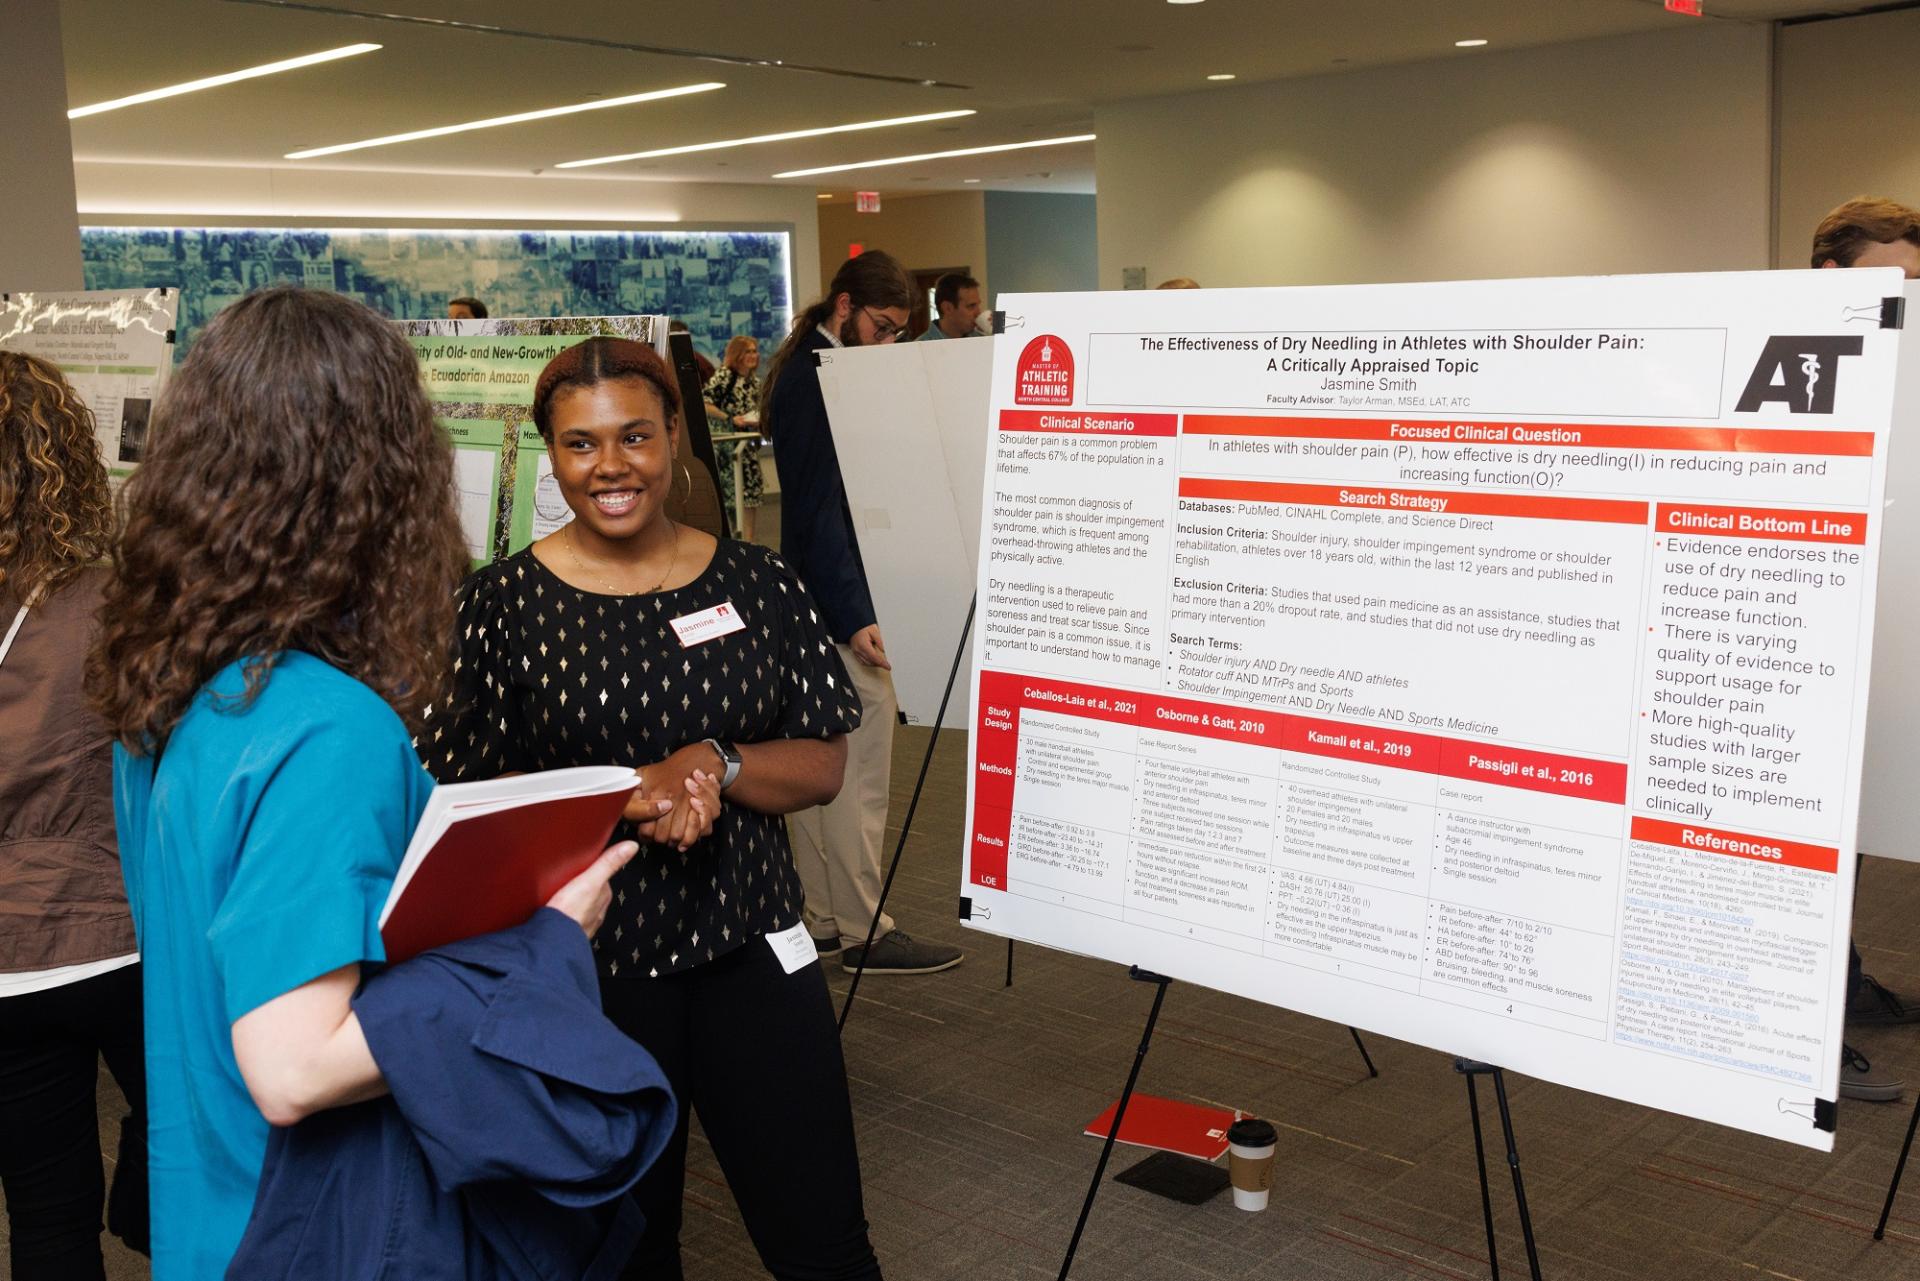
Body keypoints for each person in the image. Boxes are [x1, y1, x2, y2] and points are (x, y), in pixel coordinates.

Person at [84, 287, 637, 1279]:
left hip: (214, 1210)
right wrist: (544, 944)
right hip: (316, 1224)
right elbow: (294, 1067)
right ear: (382, 480)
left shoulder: (170, 693)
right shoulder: (325, 729)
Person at [427, 335, 886, 1280]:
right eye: (581, 444)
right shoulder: (497, 606)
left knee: (825, 1241)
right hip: (588, 973)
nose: (611, 468)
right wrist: (622, 796)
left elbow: (824, 762)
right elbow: (458, 804)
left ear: (678, 434)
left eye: (635, 435)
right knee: (628, 1249)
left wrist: (714, 762)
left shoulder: (759, 583)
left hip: (753, 945)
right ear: (549, 453)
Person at [762, 251, 965, 976]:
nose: (888, 345)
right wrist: (854, 614)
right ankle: (863, 928)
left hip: (813, 604)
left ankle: (824, 919)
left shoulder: (814, 366)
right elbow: (820, 514)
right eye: (882, 328)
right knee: (858, 771)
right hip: (834, 604)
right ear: (844, 307)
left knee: (822, 768)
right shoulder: (818, 377)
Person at [0, 352, 149, 1280]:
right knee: (196, 1155)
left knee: (46, 1220)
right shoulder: (119, 604)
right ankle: (143, 1208)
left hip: (7, 960)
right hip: (125, 934)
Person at [1809, 195, 1920, 1103]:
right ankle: (1798, 1036)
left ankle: (1840, 987)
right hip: (1797, 642)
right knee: (1800, 845)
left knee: (1842, 844)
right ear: (1836, 276)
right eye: (1902, 278)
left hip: (1881, 637)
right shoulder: (1791, 358)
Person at [703, 335, 766, 540]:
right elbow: (704, 403)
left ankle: (749, 542)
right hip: (727, 448)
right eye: (748, 351)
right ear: (737, 354)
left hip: (747, 447)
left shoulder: (754, 382)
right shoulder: (724, 376)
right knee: (731, 499)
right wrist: (731, 419)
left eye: (755, 350)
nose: (753, 355)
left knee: (750, 497)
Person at [918, 272, 982, 340]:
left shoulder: (981, 338)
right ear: (947, 308)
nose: (978, 313)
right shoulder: (919, 347)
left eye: (978, 305)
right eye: (971, 306)